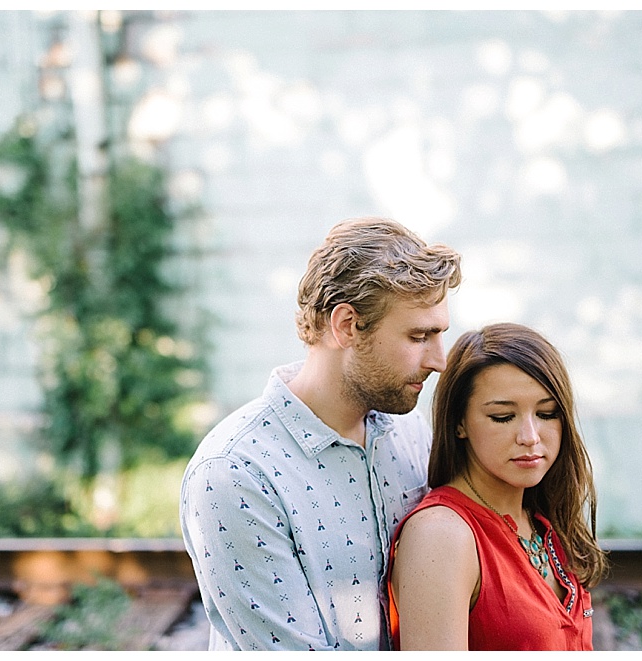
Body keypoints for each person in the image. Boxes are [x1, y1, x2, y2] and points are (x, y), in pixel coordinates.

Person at [179, 217, 462, 650]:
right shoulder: (235, 473)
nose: (439, 361)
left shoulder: (408, 430)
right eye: (419, 336)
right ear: (346, 325)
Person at [387, 322, 608, 650]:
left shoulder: (542, 521)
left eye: (547, 414)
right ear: (459, 422)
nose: (530, 437)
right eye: (503, 417)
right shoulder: (442, 535)